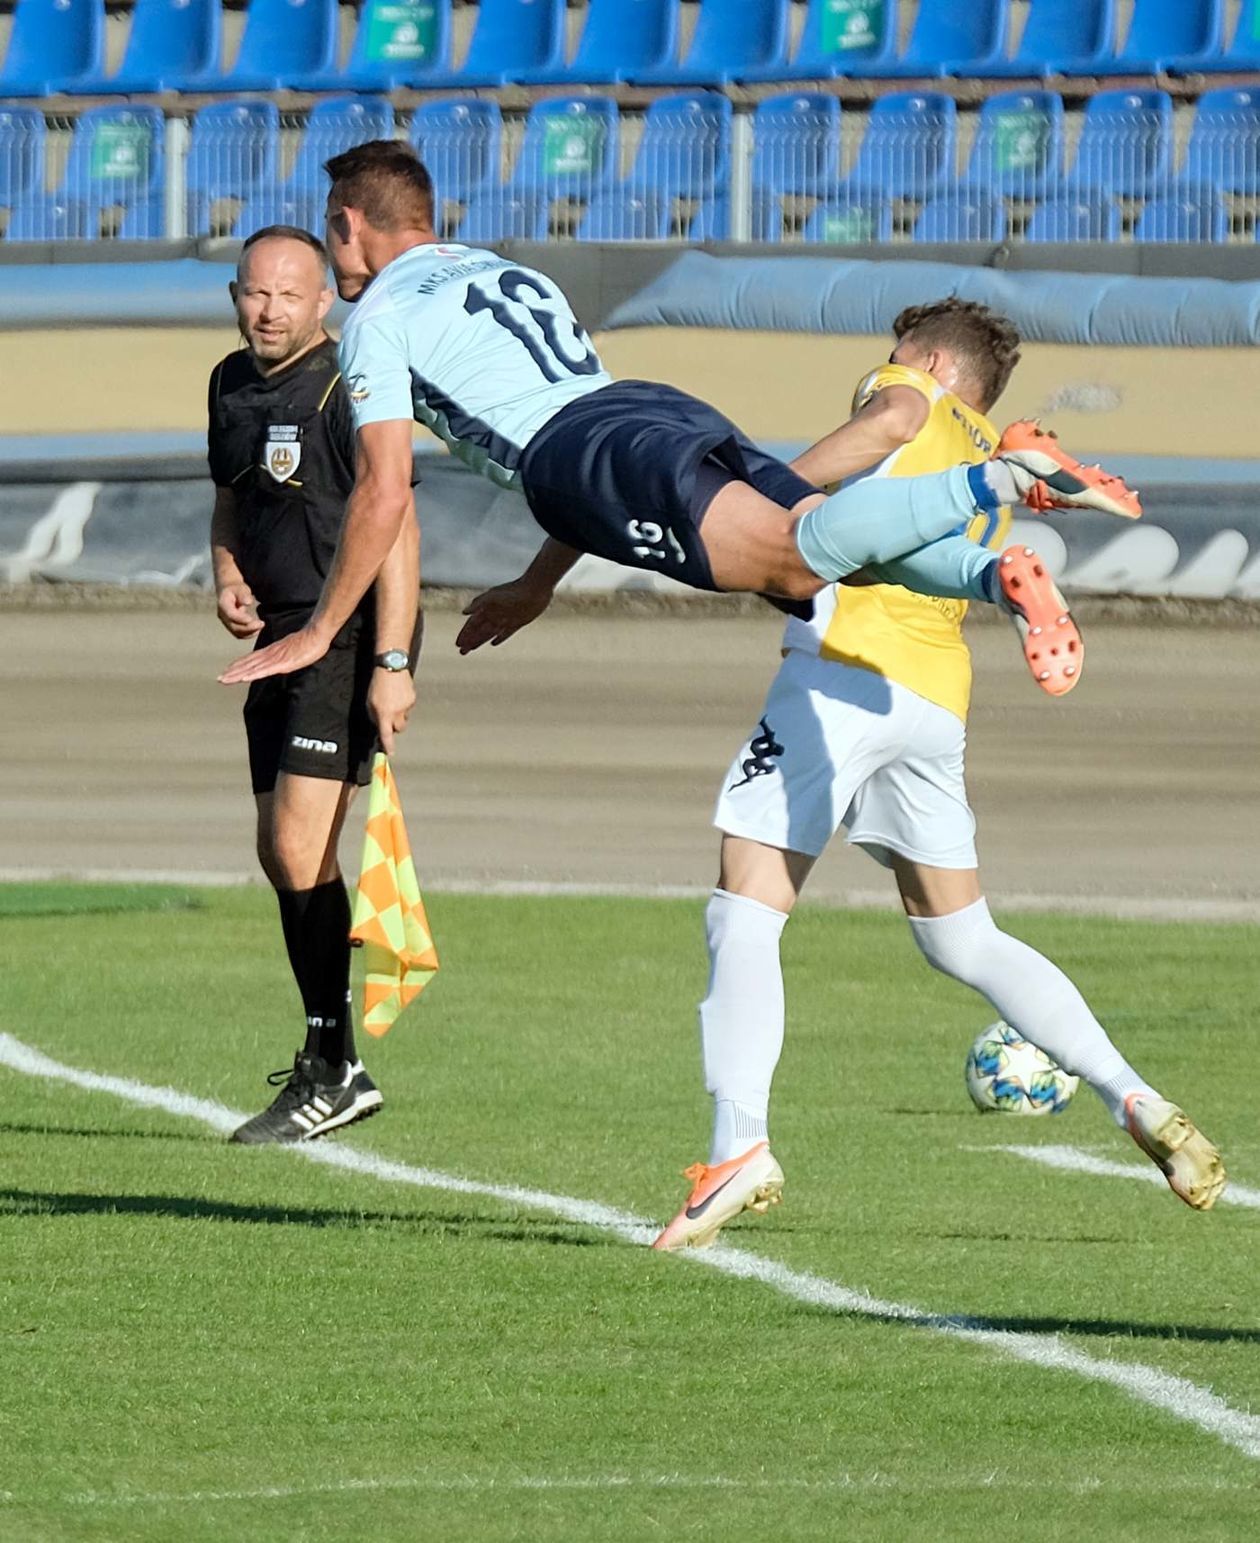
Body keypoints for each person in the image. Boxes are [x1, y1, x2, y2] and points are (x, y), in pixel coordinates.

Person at [648, 299, 1226, 1251]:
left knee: (744, 909)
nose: (883, 368)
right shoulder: (985, 451)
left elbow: (879, 430)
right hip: (932, 699)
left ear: (928, 358)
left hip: (838, 676)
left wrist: (765, 495)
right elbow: (906, 551)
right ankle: (1136, 1094)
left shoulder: (908, 392)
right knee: (965, 938)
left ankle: (738, 1143)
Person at [217, 140, 1140, 696]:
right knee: (818, 546)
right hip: (643, 409)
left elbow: (385, 488)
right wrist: (540, 580)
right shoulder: (504, 271)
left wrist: (317, 631)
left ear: (347, 225)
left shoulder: (379, 315)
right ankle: (994, 572)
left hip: (584, 454)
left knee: (792, 559)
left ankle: (1005, 476)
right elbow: (588, 432)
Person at [208, 224, 421, 1144]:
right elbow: (228, 492)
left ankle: (333, 1063)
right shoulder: (226, 382)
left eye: (288, 295)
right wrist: (224, 572)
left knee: (300, 849)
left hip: (340, 639)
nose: (269, 309)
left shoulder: (348, 384)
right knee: (282, 853)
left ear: (321, 302)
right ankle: (332, 1060)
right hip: (276, 642)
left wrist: (394, 662)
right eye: (256, 293)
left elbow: (399, 524)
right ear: (236, 295)